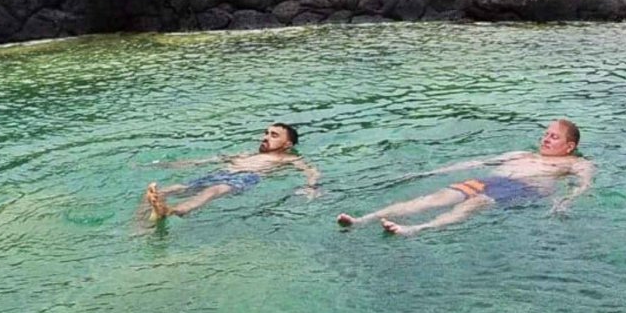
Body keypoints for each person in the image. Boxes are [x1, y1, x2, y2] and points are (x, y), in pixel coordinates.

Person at [336, 119, 594, 236]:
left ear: (569, 146)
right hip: (490, 181)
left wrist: (565, 202)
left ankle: (416, 229)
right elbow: (478, 162)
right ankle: (362, 220)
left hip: (523, 189)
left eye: (554, 137)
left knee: (475, 203)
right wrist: (436, 171)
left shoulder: (577, 163)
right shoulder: (522, 154)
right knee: (435, 198)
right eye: (546, 134)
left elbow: (584, 185)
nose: (546, 139)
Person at [141, 122, 319, 222]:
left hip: (245, 177)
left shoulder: (286, 158)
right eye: (266, 133)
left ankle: (173, 211)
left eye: (274, 135)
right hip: (220, 174)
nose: (265, 137)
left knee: (215, 190)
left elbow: (311, 171)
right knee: (163, 191)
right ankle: (142, 226)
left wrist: (310, 188)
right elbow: (206, 161)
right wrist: (167, 165)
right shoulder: (246, 154)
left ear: (288, 144)